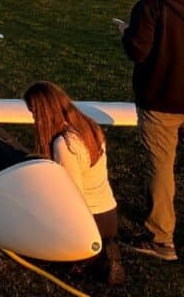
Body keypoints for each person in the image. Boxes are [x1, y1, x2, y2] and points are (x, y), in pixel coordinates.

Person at [117, 0, 184, 262]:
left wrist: (126, 32)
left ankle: (161, 239)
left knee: (161, 169)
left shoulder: (149, 5)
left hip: (160, 103)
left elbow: (138, 51)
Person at [23, 81, 125, 286]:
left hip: (88, 222)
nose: (34, 119)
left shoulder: (64, 144)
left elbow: (72, 197)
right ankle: (102, 249)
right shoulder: (90, 127)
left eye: (34, 114)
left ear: (44, 113)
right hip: (109, 214)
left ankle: (92, 260)